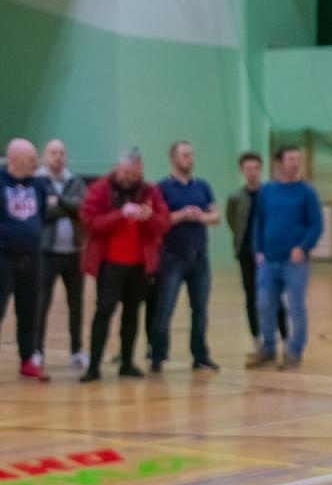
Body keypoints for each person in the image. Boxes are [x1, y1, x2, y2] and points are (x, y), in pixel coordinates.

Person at [79, 149, 170, 383]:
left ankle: (127, 362)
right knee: (104, 312)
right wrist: (120, 215)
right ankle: (94, 365)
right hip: (109, 264)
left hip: (139, 264)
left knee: (132, 314)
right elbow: (90, 222)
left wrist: (149, 216)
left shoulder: (150, 191)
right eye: (127, 172)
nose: (130, 177)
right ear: (118, 169)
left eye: (135, 173)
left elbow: (164, 223)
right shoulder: (100, 189)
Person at [247, 144, 321, 370]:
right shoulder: (267, 190)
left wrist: (303, 247)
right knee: (264, 304)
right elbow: (258, 222)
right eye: (290, 159)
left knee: (296, 306)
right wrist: (258, 249)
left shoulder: (307, 192)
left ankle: (294, 350)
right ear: (279, 163)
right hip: (268, 260)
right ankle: (267, 347)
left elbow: (316, 224)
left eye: (297, 159)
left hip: (294, 262)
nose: (294, 163)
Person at [150, 140, 221, 372]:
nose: (190, 159)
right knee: (165, 308)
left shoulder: (202, 186)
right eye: (185, 156)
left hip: (199, 257)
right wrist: (181, 215)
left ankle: (200, 355)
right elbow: (158, 221)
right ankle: (157, 354)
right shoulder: (161, 188)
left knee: (200, 309)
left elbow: (215, 216)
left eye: (191, 155)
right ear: (173, 159)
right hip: (172, 257)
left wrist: (201, 216)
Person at [226, 150, 285, 359]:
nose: (252, 172)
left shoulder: (269, 194)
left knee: (274, 296)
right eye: (247, 169)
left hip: (268, 253)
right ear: (242, 171)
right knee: (251, 297)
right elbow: (234, 222)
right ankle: (256, 340)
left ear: (261, 170)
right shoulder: (235, 197)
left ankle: (284, 339)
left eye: (255, 168)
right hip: (246, 254)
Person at [38, 139, 88, 372]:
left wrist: (58, 201)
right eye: (53, 152)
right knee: (41, 303)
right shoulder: (38, 181)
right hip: (47, 253)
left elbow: (82, 210)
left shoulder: (74, 181)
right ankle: (36, 351)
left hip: (74, 253)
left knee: (76, 304)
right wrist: (67, 206)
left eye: (61, 152)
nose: (58, 156)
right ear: (44, 156)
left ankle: (77, 351)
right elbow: (42, 213)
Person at [1, 138, 49, 381]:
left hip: (32, 257)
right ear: (16, 160)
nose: (36, 163)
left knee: (30, 310)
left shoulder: (38, 184)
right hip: (4, 256)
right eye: (32, 159)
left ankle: (28, 359)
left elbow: (42, 214)